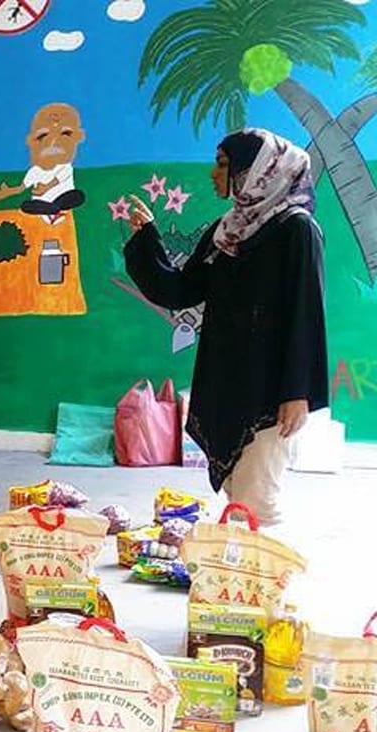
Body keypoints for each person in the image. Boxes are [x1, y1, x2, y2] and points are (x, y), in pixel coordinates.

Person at [123, 128, 327, 528]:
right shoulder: (227, 231)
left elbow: (306, 314)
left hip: (271, 394)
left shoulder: (296, 230)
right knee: (239, 495)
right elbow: (181, 289)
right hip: (229, 383)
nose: (214, 174)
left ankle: (255, 583)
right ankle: (235, 583)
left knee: (256, 506)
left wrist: (297, 392)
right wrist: (146, 239)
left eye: (222, 163)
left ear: (257, 170)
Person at [0, 102, 88, 223]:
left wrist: (45, 187)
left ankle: (55, 208)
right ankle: (51, 209)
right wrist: (8, 192)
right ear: (32, 142)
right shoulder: (34, 171)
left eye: (65, 133)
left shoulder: (65, 167)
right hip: (43, 206)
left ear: (78, 138)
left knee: (77, 195)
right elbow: (22, 187)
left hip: (63, 200)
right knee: (26, 205)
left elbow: (57, 180)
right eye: (43, 135)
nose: (53, 141)